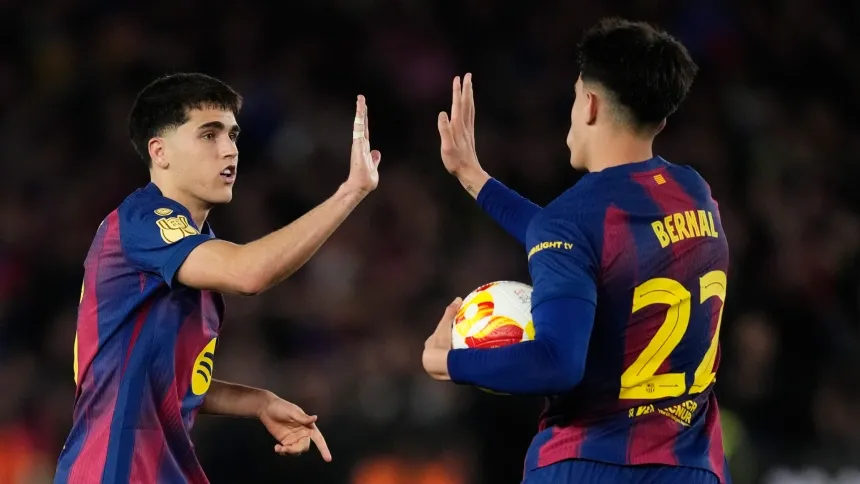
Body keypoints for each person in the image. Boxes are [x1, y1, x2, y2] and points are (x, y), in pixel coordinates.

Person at [422, 18, 731, 484]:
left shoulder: (574, 221)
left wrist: (445, 362)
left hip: (589, 465)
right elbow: (586, 243)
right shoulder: (694, 194)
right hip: (692, 467)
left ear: (588, 104)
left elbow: (556, 362)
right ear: (661, 118)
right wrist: (473, 177)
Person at [54, 72, 381, 483]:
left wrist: (258, 402)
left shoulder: (192, 248)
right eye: (209, 135)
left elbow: (167, 382)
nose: (229, 150)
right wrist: (350, 192)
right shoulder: (142, 222)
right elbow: (249, 273)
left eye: (232, 135)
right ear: (160, 151)